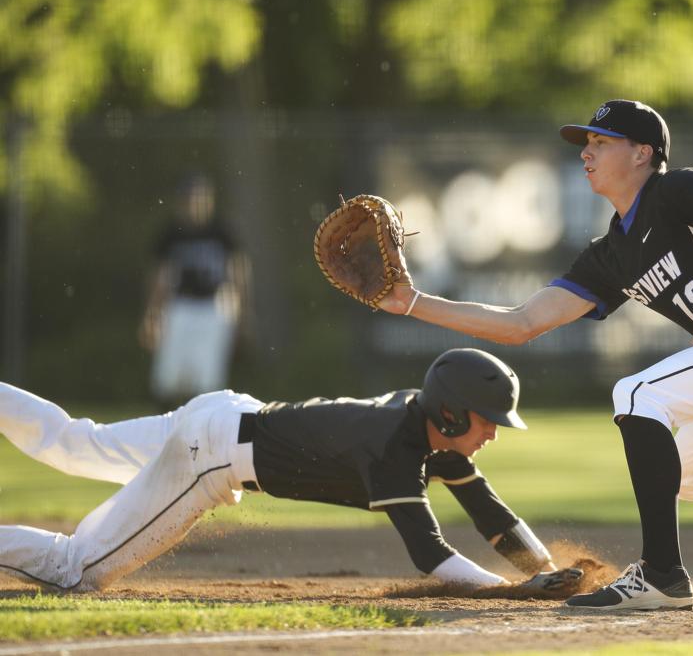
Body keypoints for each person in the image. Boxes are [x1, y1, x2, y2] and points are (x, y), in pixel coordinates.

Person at [376, 100, 693, 610]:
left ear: (642, 153)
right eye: (586, 144)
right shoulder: (611, 254)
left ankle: (661, 576)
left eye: (601, 143)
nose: (586, 154)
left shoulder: (674, 190)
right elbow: (521, 324)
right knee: (690, 471)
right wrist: (411, 302)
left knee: (635, 392)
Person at [0, 348, 562, 592]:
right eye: (488, 420)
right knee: (76, 570)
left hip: (225, 415)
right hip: (212, 455)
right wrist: (514, 591)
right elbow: (430, 554)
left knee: (78, 443)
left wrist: (546, 569)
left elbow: (490, 513)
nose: (492, 432)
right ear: (449, 411)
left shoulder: (426, 424)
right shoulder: (393, 448)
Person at [139, 172, 250, 406]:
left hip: (214, 306)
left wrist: (242, 315)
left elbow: (237, 273)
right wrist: (151, 314)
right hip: (180, 307)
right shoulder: (171, 234)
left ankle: (204, 433)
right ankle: (170, 426)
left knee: (208, 381)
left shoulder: (222, 231)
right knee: (169, 379)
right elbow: (159, 278)